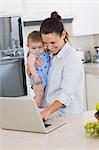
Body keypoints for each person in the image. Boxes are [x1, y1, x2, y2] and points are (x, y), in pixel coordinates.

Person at [34, 11, 84, 120]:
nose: (49, 47)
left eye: (53, 43)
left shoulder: (72, 58)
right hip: (49, 115)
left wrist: (47, 111)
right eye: (45, 43)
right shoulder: (48, 56)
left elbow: (65, 95)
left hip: (67, 118)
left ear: (63, 35)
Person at [27, 31, 50, 107]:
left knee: (39, 96)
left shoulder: (45, 51)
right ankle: (38, 113)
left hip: (43, 78)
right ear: (28, 46)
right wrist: (36, 76)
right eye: (33, 48)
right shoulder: (32, 55)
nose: (37, 50)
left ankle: (33, 108)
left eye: (40, 47)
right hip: (37, 79)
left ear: (44, 45)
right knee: (39, 95)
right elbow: (31, 66)